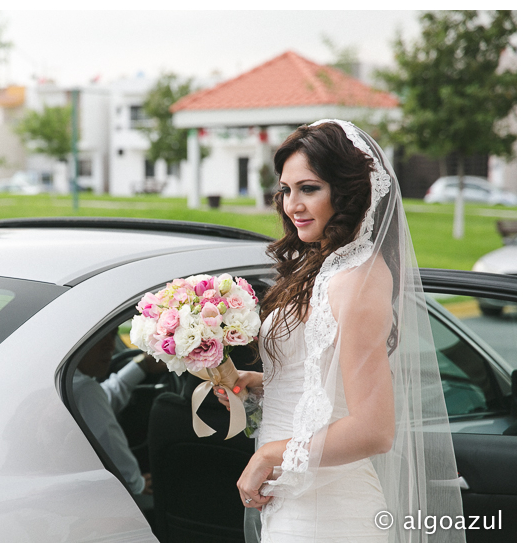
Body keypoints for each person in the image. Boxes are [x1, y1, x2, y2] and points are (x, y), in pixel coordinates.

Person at [215, 120, 464, 542]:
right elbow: (319, 379)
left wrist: (271, 456)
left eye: (309, 188)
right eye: (286, 190)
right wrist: (256, 385)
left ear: (346, 192)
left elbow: (374, 429)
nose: (293, 205)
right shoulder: (322, 268)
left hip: (328, 514)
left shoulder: (359, 278)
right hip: (292, 498)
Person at [73, 329, 165, 495]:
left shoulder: (77, 386)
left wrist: (142, 365)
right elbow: (108, 438)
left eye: (113, 334)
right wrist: (136, 484)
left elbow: (104, 398)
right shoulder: (84, 391)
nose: (110, 345)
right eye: (99, 336)